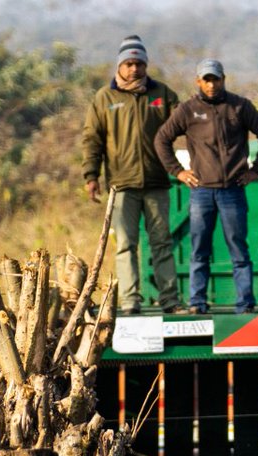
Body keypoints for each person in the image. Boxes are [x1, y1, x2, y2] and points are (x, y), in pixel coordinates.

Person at [154, 58, 258, 314]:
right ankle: (197, 303)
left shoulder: (239, 106)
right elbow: (162, 139)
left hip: (233, 189)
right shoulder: (187, 110)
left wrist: (256, 170)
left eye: (215, 79)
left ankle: (244, 304)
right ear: (198, 81)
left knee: (239, 249)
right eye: (206, 79)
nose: (211, 84)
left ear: (223, 79)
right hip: (202, 192)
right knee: (199, 249)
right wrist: (178, 171)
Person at [82, 34, 182, 315]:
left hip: (156, 182)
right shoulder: (105, 98)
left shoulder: (162, 94)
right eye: (129, 63)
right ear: (120, 66)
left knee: (162, 242)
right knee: (126, 244)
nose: (134, 69)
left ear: (145, 64)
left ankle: (170, 301)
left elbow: (185, 124)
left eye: (139, 63)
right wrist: (91, 176)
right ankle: (130, 301)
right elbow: (92, 139)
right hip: (121, 185)